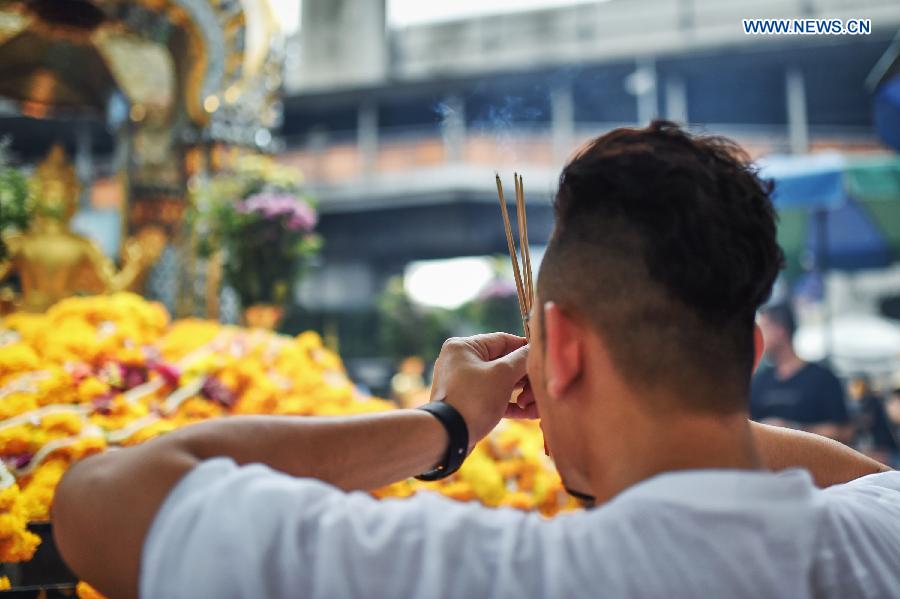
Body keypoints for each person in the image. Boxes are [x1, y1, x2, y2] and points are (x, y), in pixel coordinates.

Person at [53, 122, 899, 599]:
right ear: (749, 354)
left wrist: (446, 423)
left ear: (556, 348)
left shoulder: (485, 572)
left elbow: (101, 500)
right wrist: (687, 403)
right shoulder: (874, 542)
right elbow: (868, 476)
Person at [750, 302, 853, 443]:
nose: (757, 337)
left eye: (763, 329)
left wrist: (792, 429)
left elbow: (844, 431)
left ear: (780, 330)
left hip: (812, 462)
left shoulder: (822, 378)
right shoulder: (760, 381)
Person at [848, 375, 898, 464]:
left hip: (888, 451)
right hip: (882, 449)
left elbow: (867, 422)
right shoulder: (865, 402)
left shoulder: (873, 402)